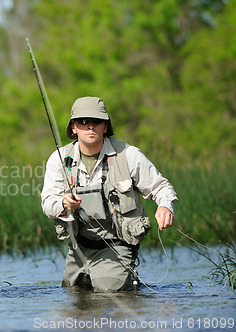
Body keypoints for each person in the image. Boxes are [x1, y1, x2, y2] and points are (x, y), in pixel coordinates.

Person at [41, 96, 178, 291]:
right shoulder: (59, 159)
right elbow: (47, 203)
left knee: (108, 294)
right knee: (74, 298)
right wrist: (63, 205)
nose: (90, 127)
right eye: (83, 121)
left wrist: (165, 206)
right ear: (73, 128)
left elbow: (161, 187)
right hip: (78, 249)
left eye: (96, 121)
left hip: (117, 246)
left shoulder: (129, 154)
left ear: (105, 126)